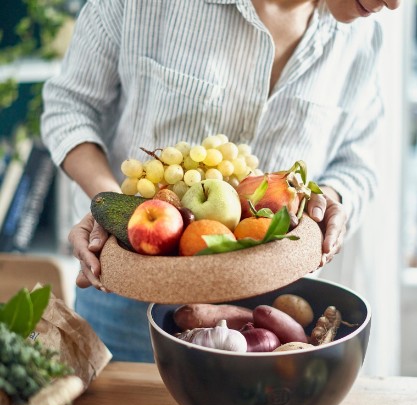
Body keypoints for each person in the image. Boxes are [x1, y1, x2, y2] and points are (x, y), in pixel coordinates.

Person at [41, 0, 401, 362]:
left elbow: (357, 161)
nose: (395, 3)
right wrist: (113, 208)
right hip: (131, 296)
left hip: (270, 315)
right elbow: (69, 108)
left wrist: (331, 198)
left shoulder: (364, 39)